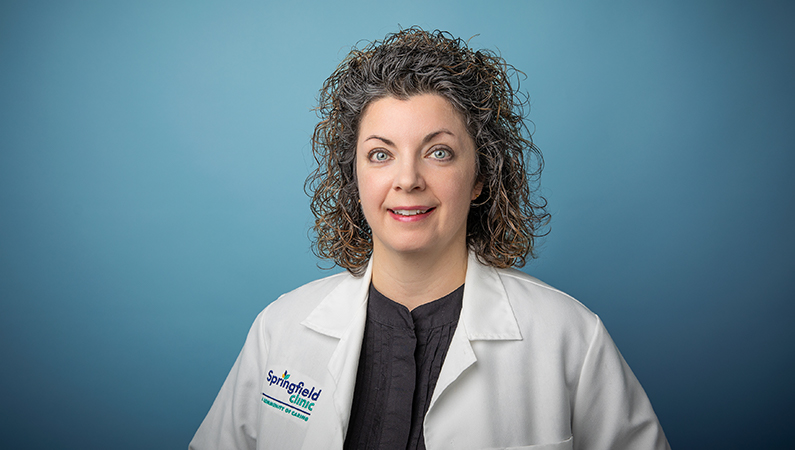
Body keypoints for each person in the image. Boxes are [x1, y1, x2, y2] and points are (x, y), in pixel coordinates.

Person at [190, 27, 670, 450]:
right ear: (352, 176)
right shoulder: (281, 331)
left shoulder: (570, 339)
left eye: (439, 152)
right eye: (380, 155)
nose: (408, 179)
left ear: (481, 175)